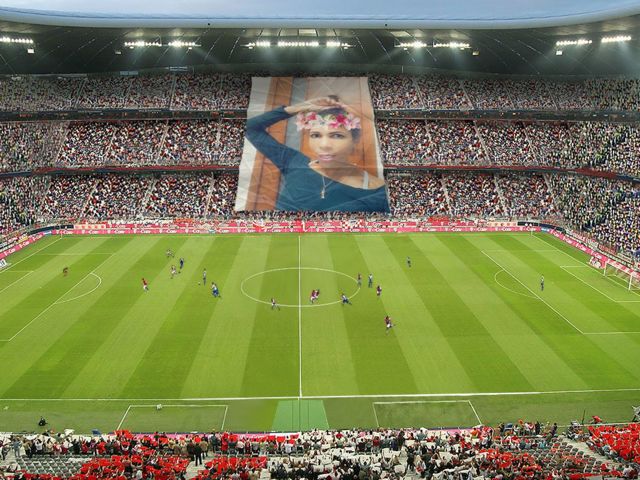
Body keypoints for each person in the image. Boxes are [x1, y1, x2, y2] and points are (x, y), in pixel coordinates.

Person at [245, 96, 389, 212]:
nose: (324, 145)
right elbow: (249, 128)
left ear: (354, 140)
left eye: (337, 135)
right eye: (316, 135)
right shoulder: (294, 162)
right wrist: (299, 107)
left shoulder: (378, 192)